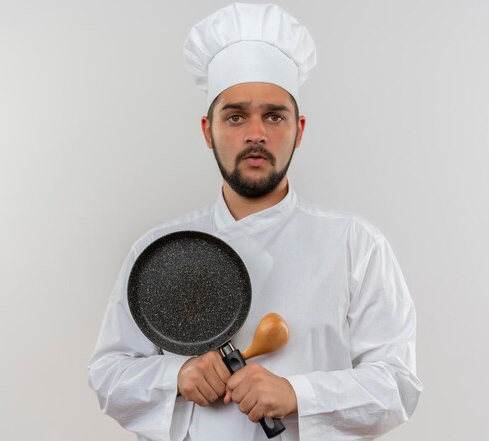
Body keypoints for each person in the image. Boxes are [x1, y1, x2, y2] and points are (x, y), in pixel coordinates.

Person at [88, 3, 422, 441]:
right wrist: (176, 375)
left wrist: (297, 393)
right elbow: (109, 374)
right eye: (235, 116)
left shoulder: (356, 245)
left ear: (299, 130)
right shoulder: (159, 250)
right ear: (207, 130)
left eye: (274, 116)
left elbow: (397, 385)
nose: (255, 134)